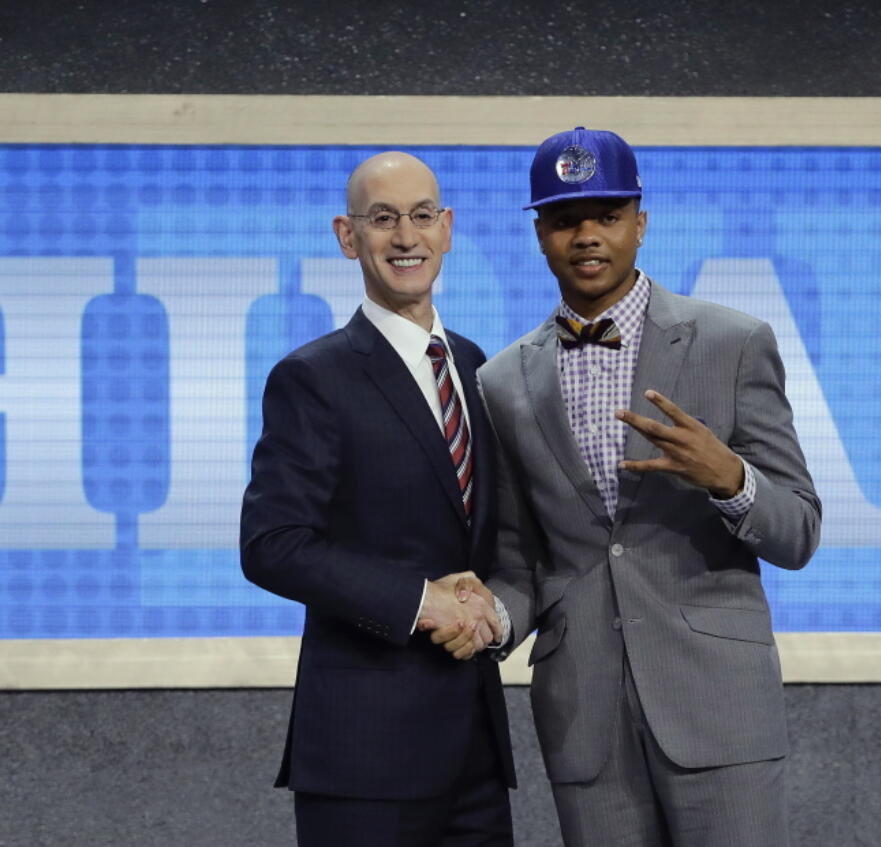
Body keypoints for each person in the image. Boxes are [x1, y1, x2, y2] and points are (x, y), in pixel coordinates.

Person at [470, 128, 821, 846]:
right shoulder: (501, 382)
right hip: (584, 718)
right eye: (566, 219)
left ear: (641, 221)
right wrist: (488, 620)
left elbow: (799, 531)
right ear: (540, 233)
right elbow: (519, 560)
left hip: (718, 705)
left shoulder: (732, 343)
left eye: (606, 214)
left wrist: (730, 477)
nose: (587, 235)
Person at [240, 151, 514, 847]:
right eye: (383, 218)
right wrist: (426, 603)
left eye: (422, 216)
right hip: (364, 760)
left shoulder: (482, 369)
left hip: (476, 755)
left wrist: (490, 610)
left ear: (447, 228)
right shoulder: (313, 377)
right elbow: (272, 544)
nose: (405, 236)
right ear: (347, 235)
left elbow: (500, 537)